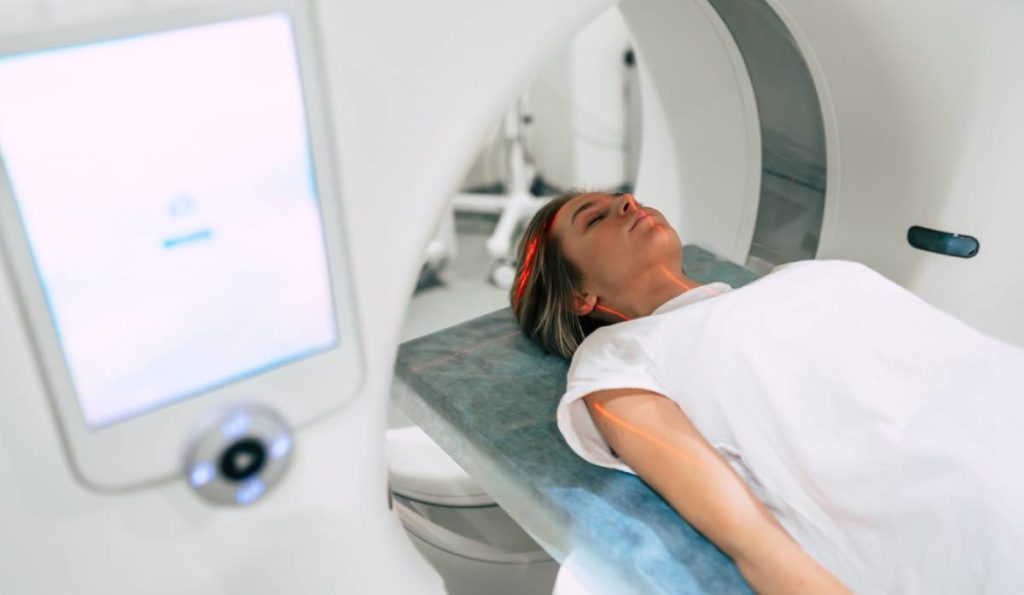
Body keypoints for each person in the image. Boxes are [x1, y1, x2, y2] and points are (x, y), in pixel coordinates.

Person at [509, 190, 1024, 594]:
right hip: (968, 496)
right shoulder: (619, 356)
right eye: (594, 218)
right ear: (579, 296)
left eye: (627, 198)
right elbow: (746, 534)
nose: (628, 202)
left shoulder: (800, 276)